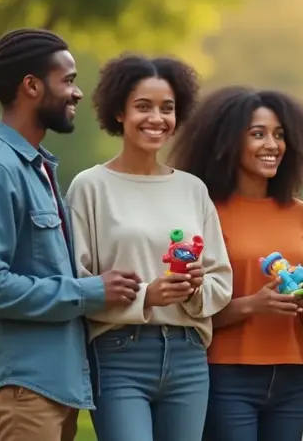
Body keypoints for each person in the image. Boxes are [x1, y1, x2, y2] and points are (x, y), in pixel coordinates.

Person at [0, 28, 143, 441]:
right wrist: (89, 291)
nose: (77, 93)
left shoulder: (32, 167)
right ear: (32, 86)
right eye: (67, 80)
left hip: (47, 388)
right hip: (21, 390)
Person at [65, 54, 234, 441]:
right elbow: (76, 283)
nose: (156, 118)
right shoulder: (90, 187)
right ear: (119, 112)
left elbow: (220, 279)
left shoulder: (193, 189)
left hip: (189, 355)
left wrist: (194, 290)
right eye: (143, 106)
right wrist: (147, 296)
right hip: (118, 353)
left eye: (167, 108)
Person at [168, 86, 303, 441]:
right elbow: (187, 313)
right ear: (227, 142)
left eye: (279, 135)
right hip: (226, 375)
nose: (272, 144)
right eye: (258, 134)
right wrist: (254, 304)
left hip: (290, 377)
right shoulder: (205, 212)